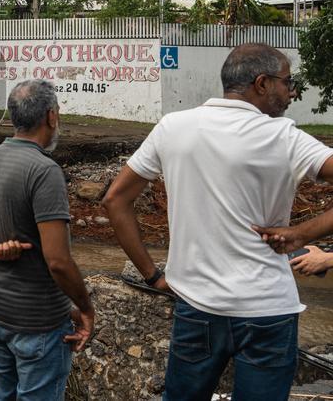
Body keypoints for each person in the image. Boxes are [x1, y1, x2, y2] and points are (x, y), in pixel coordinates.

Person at [103, 43, 333, 401]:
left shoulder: (172, 127)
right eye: (287, 82)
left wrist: (153, 275)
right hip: (268, 310)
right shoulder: (285, 137)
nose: (292, 92)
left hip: (198, 306)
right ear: (261, 83)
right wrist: (301, 234)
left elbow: (115, 200)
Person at [0, 79, 94, 401]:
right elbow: (58, 261)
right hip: (39, 325)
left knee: (2, 396)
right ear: (51, 117)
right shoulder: (45, 171)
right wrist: (85, 308)